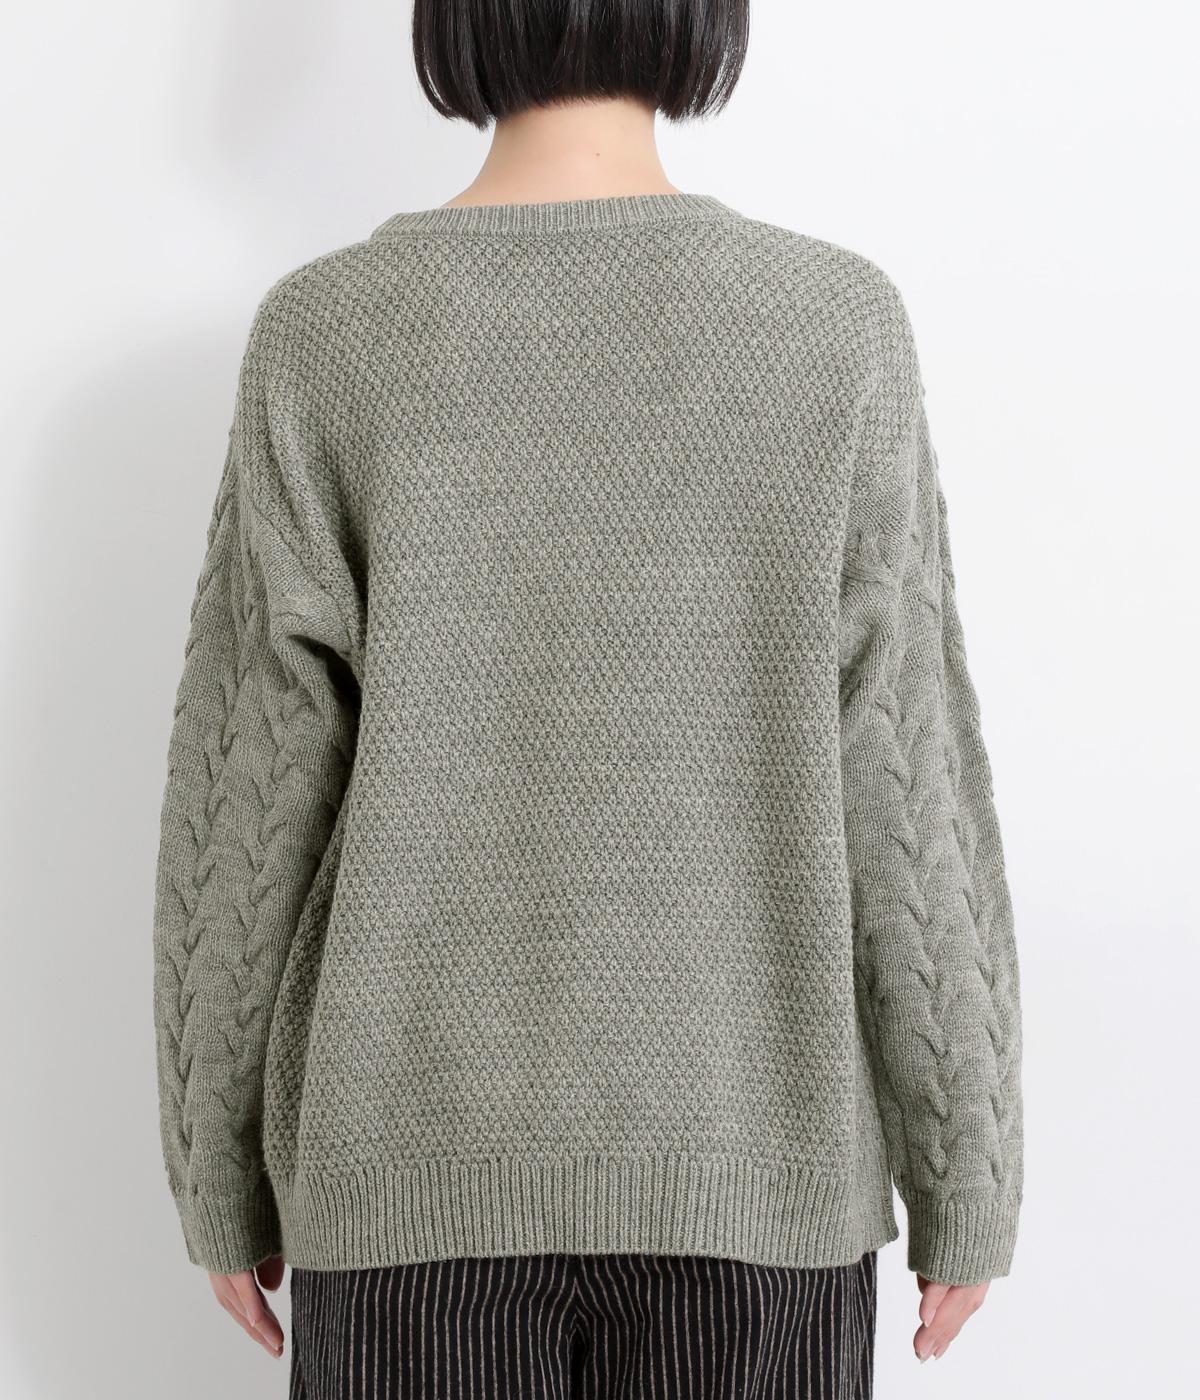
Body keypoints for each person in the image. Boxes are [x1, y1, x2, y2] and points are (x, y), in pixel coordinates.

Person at [150, 2, 1024, 1395]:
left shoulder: (327, 335)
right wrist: (965, 1161)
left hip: (406, 1190)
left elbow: (249, 793)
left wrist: (215, 1170)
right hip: (754, 1184)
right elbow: (903, 768)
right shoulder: (832, 329)